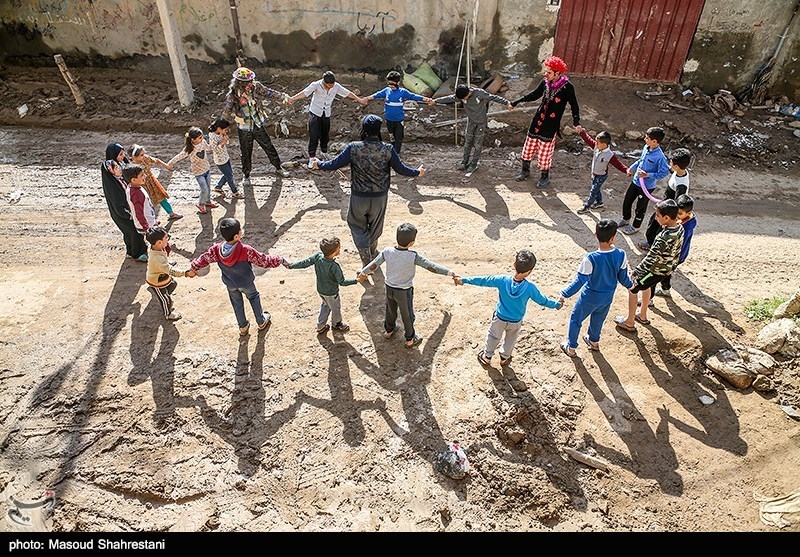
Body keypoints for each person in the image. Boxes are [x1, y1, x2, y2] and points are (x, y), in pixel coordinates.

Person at [312, 114, 426, 267]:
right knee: (375, 225)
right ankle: (372, 251)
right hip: (379, 197)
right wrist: (417, 172)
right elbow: (401, 169)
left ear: (364, 129)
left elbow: (334, 164)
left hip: (359, 197)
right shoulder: (388, 149)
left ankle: (366, 256)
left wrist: (319, 164)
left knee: (356, 224)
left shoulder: (354, 148)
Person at [357, 222, 457, 348]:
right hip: (404, 291)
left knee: (390, 310)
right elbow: (431, 267)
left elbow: (374, 264)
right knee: (407, 315)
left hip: (389, 288)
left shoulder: (387, 251)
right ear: (411, 243)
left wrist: (363, 272)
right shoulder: (413, 256)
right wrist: (449, 272)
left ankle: (388, 331)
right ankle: (410, 339)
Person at [455, 249, 562, 366]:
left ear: (514, 264)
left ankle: (487, 357)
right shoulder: (531, 288)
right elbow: (543, 301)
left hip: (500, 318)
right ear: (529, 271)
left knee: (493, 336)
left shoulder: (502, 280)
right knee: (510, 340)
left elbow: (483, 280)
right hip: (516, 321)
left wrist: (464, 280)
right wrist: (556, 304)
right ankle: (504, 358)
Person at [190, 217, 287, 336]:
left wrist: (194, 267)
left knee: (237, 304)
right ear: (236, 236)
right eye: (240, 230)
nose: (241, 231)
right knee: (254, 298)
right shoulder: (246, 250)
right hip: (246, 283)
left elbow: (204, 259)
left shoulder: (216, 250)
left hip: (230, 283)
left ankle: (243, 326)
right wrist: (279, 260)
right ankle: (261, 321)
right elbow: (263, 261)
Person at [558, 220, 633, 357]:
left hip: (589, 297)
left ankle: (571, 347)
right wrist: (632, 286)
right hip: (607, 297)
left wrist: (564, 294)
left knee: (576, 319)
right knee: (598, 319)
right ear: (613, 237)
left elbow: (580, 281)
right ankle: (594, 342)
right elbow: (623, 278)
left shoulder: (590, 258)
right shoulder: (621, 254)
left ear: (595, 235)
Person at [509, 56, 580, 187]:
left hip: (551, 124)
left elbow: (574, 105)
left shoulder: (567, 87)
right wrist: (517, 102)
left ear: (557, 73)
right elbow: (534, 95)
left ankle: (544, 177)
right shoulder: (545, 82)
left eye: (549, 72)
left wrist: (576, 122)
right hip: (538, 119)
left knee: (545, 151)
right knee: (529, 146)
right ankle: (525, 171)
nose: (546, 74)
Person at [614, 199, 683, 332]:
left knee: (633, 288)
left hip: (655, 271)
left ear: (667, 217)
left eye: (658, 215)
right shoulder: (679, 228)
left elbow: (651, 258)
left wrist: (636, 271)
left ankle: (629, 322)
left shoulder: (663, 237)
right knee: (647, 286)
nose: (656, 218)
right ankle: (642, 315)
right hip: (667, 268)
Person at [220, 67, 290, 184]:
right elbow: (227, 111)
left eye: (250, 82)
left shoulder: (256, 87)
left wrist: (283, 97)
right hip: (244, 128)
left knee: (269, 146)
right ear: (239, 83)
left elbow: (269, 92)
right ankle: (246, 175)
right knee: (246, 152)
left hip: (258, 124)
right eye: (246, 83)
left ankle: (278, 168)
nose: (249, 84)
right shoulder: (233, 95)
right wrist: (220, 127)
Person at [433, 84, 512, 173]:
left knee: (477, 145)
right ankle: (464, 161)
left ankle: (474, 163)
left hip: (481, 123)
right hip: (471, 122)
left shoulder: (479, 93)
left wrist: (507, 102)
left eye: (465, 98)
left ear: (468, 93)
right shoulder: (461, 96)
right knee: (468, 142)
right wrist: (435, 101)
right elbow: (449, 98)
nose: (464, 100)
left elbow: (493, 97)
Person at [285, 236, 358, 334]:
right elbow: (342, 282)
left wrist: (291, 266)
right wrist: (357, 280)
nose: (339, 249)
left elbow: (305, 263)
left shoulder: (318, 257)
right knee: (335, 308)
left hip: (321, 290)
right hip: (332, 293)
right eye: (338, 248)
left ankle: (320, 326)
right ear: (334, 252)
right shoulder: (334, 266)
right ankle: (337, 324)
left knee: (325, 306)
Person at [287, 70, 366, 160]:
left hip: (326, 113)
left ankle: (324, 153)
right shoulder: (315, 85)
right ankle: (312, 157)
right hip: (315, 113)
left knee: (325, 135)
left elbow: (347, 93)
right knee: (314, 136)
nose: (330, 87)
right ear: (324, 82)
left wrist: (359, 100)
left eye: (332, 85)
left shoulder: (336, 86)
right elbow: (305, 93)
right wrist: (293, 98)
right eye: (328, 86)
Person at [363, 70, 432, 154]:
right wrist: (366, 98)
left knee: (399, 138)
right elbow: (376, 95)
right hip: (389, 120)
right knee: (392, 138)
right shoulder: (386, 91)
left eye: (393, 84)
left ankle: (396, 154)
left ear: (398, 82)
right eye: (389, 84)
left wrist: (425, 99)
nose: (391, 86)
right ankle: (393, 152)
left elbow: (413, 96)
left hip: (399, 120)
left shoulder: (403, 92)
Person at [617, 126, 670, 236]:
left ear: (654, 141)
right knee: (627, 201)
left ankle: (636, 226)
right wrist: (631, 168)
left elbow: (664, 172)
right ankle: (626, 219)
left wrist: (648, 175)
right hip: (636, 181)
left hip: (647, 186)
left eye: (647, 138)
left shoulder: (660, 157)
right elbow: (640, 161)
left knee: (640, 208)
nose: (645, 140)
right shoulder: (646, 148)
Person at [100, 144, 148, 262]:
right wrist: (128, 214)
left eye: (123, 154)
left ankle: (131, 252)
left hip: (128, 208)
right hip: (121, 212)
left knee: (129, 232)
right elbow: (117, 202)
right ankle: (139, 254)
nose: (123, 157)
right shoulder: (112, 182)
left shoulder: (121, 167)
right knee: (133, 231)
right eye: (120, 154)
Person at [640, 147, 691, 249]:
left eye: (671, 162)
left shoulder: (681, 185)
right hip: (664, 205)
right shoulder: (679, 171)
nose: (669, 164)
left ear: (676, 166)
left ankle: (653, 246)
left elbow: (677, 203)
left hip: (667, 210)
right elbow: (670, 170)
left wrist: (668, 217)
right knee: (653, 223)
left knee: (657, 228)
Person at [574, 129, 628, 214]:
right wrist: (582, 132)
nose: (595, 143)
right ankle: (599, 202)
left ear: (603, 144)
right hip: (594, 174)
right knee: (596, 189)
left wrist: (626, 170)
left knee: (593, 191)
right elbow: (588, 140)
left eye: (597, 142)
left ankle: (586, 206)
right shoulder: (596, 147)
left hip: (601, 176)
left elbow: (618, 165)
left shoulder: (610, 155)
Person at [168, 126, 219, 215]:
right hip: (198, 173)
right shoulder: (189, 149)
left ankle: (207, 201)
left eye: (202, 137)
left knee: (208, 188)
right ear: (193, 140)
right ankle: (201, 204)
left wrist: (215, 142)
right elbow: (179, 156)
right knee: (204, 189)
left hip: (207, 169)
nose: (202, 139)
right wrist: (170, 163)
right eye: (200, 137)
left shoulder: (203, 142)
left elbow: (209, 148)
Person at [654, 194, 697, 298]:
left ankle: (653, 296)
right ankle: (666, 289)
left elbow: (678, 242)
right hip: (675, 255)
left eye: (680, 214)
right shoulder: (687, 220)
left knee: (659, 274)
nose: (677, 216)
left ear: (688, 213)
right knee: (666, 273)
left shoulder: (685, 228)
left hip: (676, 255)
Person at [145, 226, 192, 321]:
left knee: (173, 284)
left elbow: (163, 263)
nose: (168, 239)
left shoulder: (157, 248)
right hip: (157, 281)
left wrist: (166, 263)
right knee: (166, 299)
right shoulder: (157, 258)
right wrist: (185, 273)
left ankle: (162, 296)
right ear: (159, 242)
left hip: (163, 276)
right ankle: (168, 314)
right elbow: (171, 271)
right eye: (166, 237)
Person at [129, 144, 182, 221]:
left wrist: (166, 166)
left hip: (152, 182)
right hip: (143, 186)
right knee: (147, 203)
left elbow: (156, 161)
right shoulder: (132, 167)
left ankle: (171, 213)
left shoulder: (145, 159)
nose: (144, 156)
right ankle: (151, 220)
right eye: (141, 155)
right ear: (134, 157)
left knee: (162, 197)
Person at [208, 118, 243, 199]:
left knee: (228, 174)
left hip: (225, 157)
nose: (226, 131)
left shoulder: (221, 133)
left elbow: (226, 142)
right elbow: (214, 149)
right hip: (220, 160)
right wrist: (223, 143)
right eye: (225, 130)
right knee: (229, 176)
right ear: (219, 129)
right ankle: (235, 192)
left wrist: (225, 140)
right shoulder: (212, 136)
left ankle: (218, 187)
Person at [123, 163, 158, 238]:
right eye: (142, 175)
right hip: (147, 225)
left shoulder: (131, 187)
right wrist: (147, 228)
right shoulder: (136, 194)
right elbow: (138, 212)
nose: (144, 176)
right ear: (134, 180)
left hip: (148, 222)